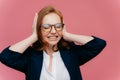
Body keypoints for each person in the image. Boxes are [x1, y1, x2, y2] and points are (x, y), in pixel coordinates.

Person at [0, 6, 106, 80]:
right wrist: (34, 37)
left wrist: (67, 35)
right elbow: (5, 57)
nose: (53, 31)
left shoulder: (72, 52)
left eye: (57, 26)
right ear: (39, 29)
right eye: (46, 27)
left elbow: (98, 44)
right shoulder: (30, 57)